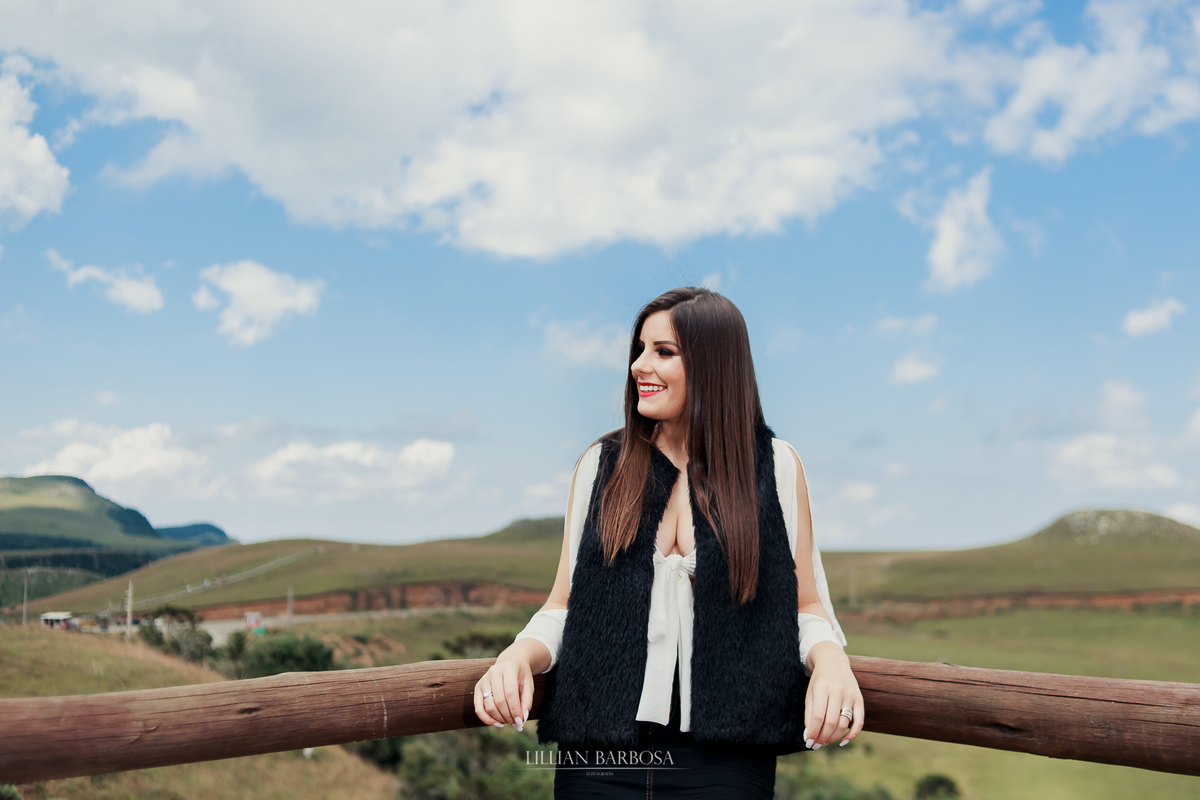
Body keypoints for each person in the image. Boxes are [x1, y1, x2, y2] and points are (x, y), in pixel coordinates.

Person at [474, 287, 863, 798]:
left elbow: (805, 604)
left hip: (729, 759)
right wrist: (517, 658)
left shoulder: (776, 465)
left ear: (713, 365)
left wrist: (833, 663)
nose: (639, 366)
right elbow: (565, 605)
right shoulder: (600, 466)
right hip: (598, 756)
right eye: (639, 349)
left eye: (663, 352)